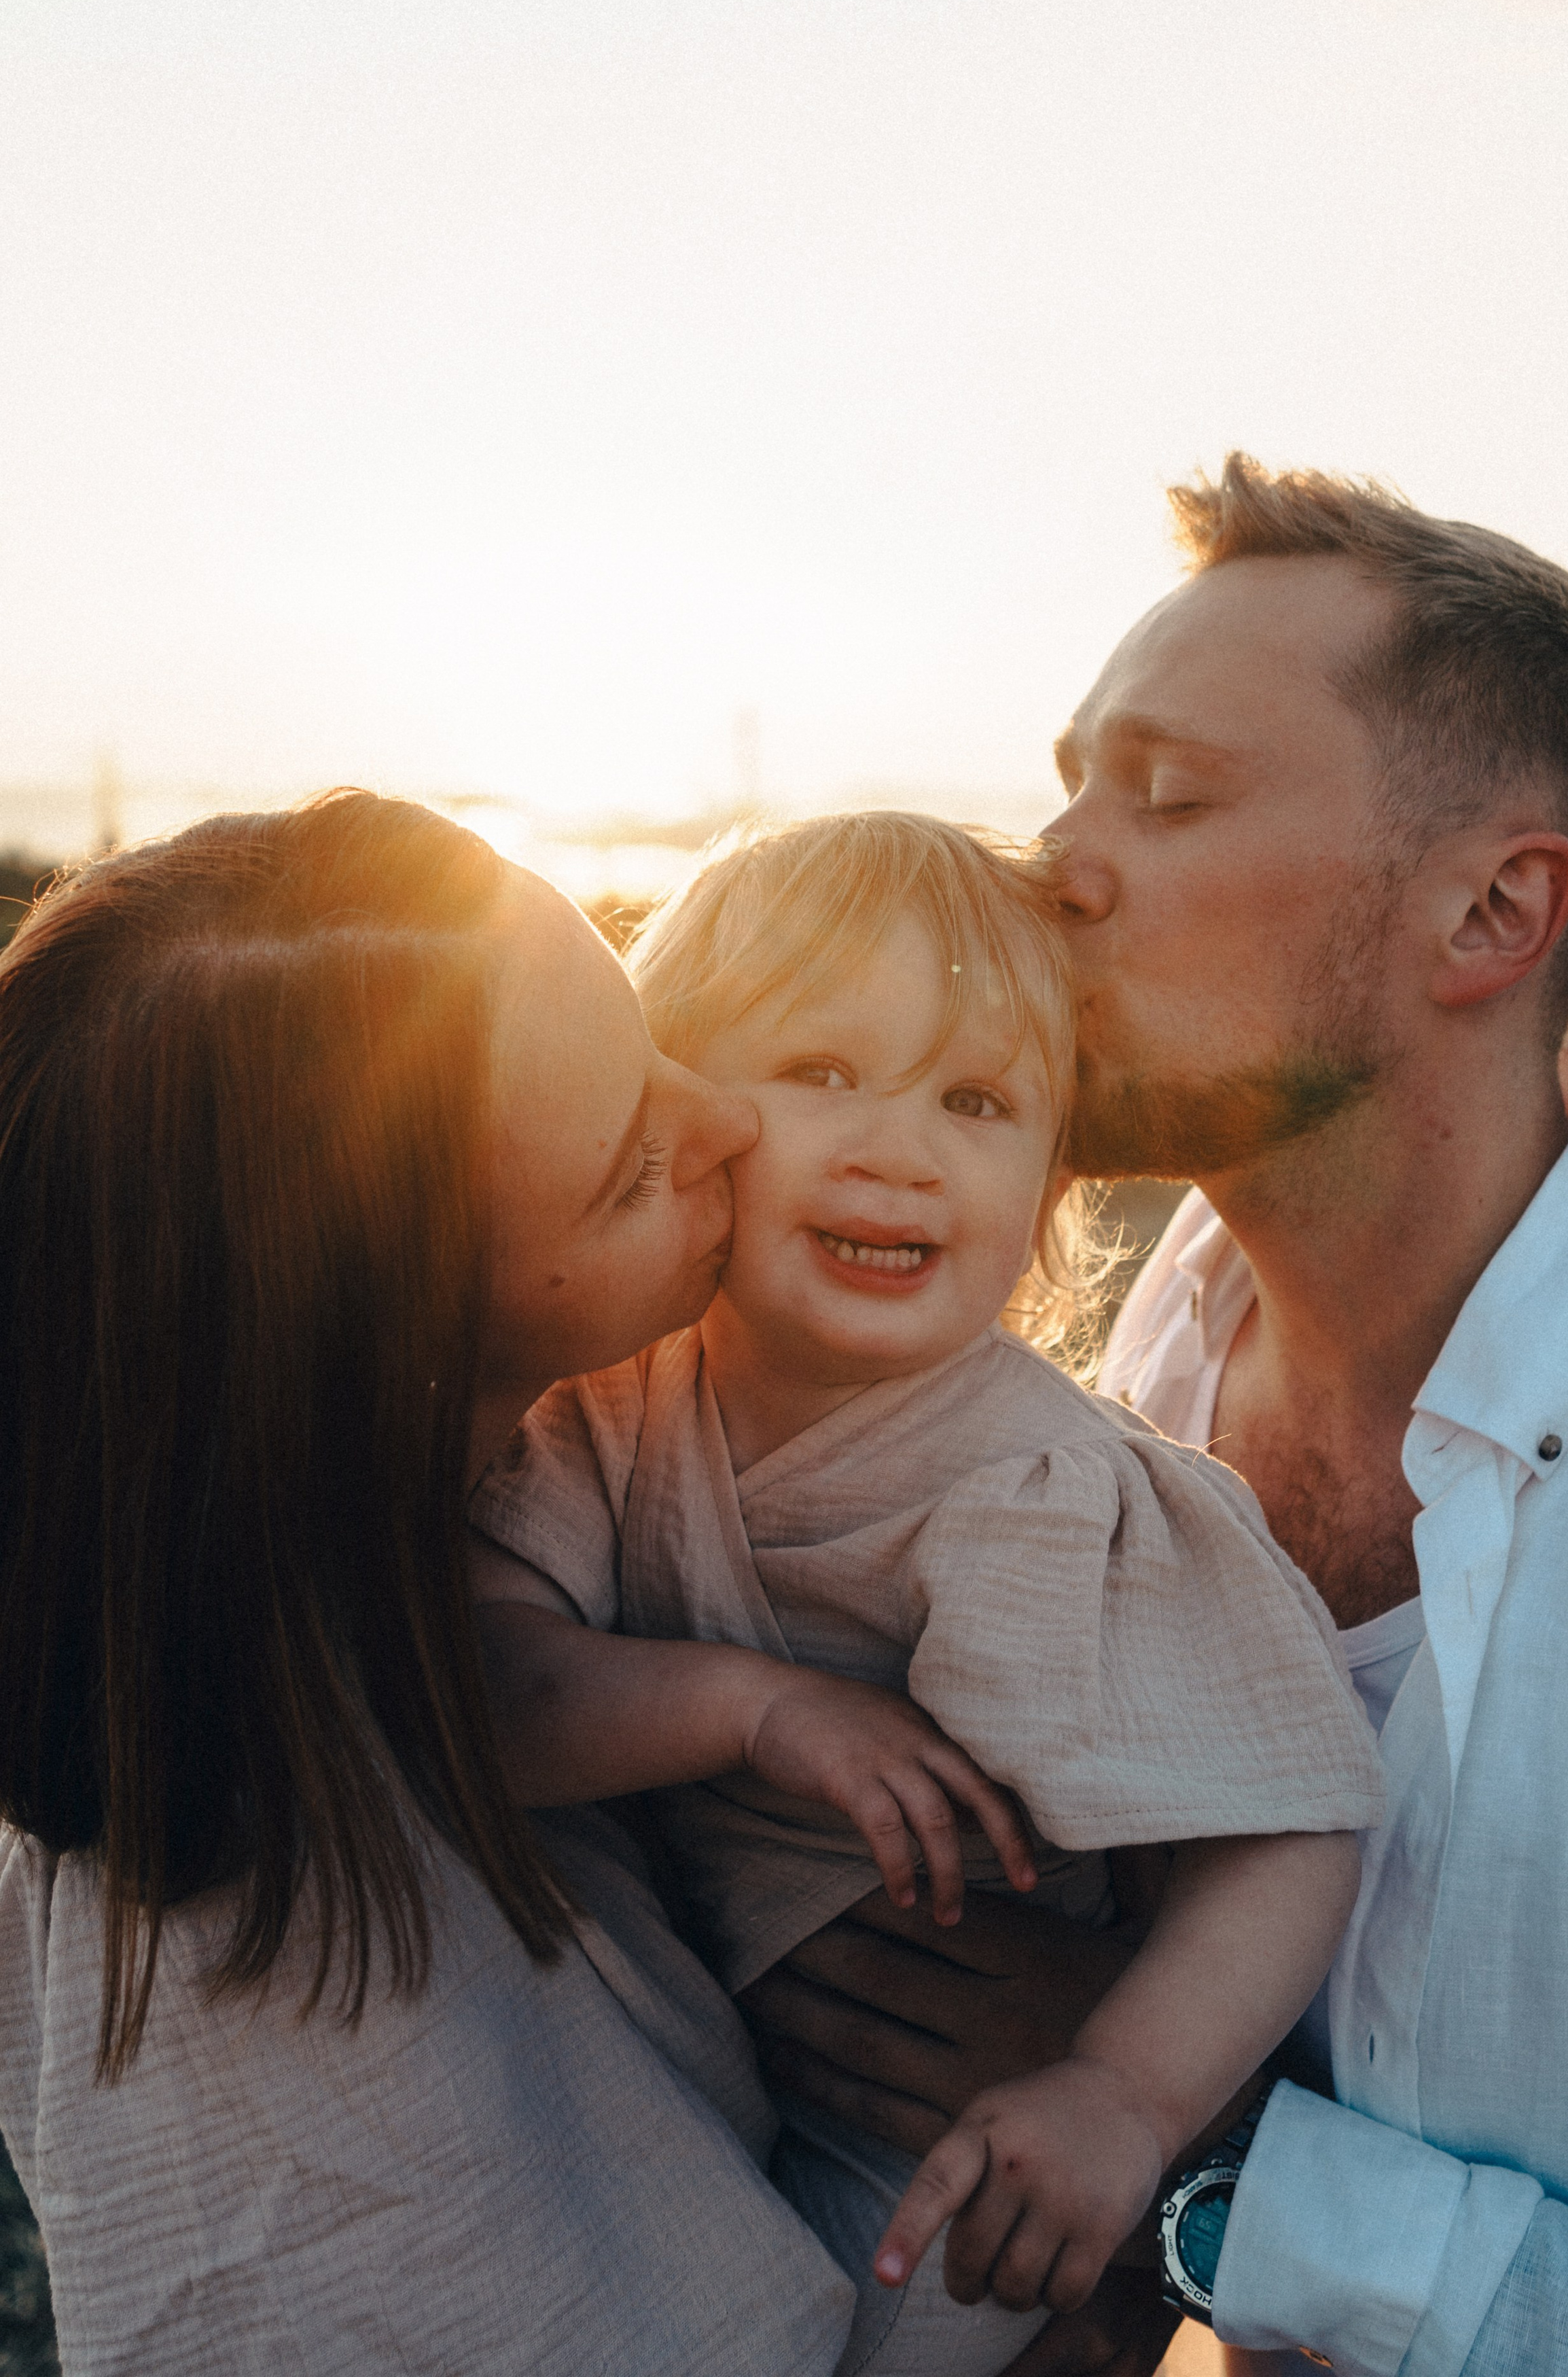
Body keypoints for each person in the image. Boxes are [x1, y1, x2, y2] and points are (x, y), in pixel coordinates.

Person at [747, 456, 1568, 2376]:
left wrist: (1211, 2179)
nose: (1051, 861)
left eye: (1170, 794)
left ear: (1490, 910)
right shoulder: (1119, 1390)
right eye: (1070, 778)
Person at [1, 786, 916, 2376]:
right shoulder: (287, 2046)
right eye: (632, 1171)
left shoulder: (469, 1532)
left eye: (647, 1039)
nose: (732, 1123)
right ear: (378, 1356)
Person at [468, 810, 1381, 2375]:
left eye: (975, 1099)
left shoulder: (1039, 1485)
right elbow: (486, 1689)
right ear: (677, 1116)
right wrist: (748, 1708)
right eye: (822, 1072)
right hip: (677, 2048)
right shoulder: (611, 1403)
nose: (899, 1146)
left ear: (1043, 1195)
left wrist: (1124, 2094)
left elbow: (1288, 1822)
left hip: (946, 2127)